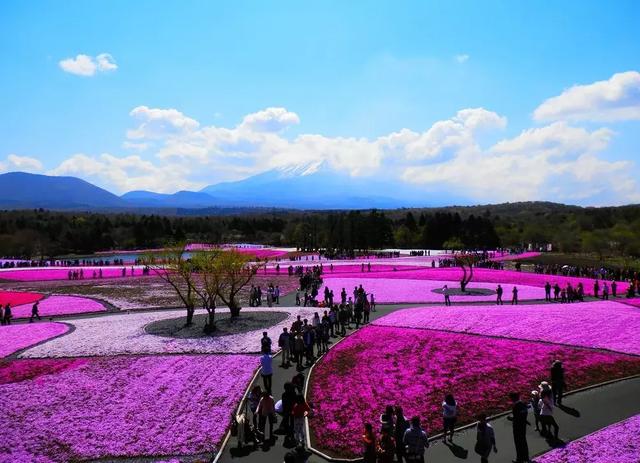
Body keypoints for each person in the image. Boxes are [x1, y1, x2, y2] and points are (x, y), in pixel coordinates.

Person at [507, 392, 529, 463]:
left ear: (513, 398)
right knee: (523, 442)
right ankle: (526, 457)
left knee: (518, 443)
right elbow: (524, 415)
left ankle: (519, 459)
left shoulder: (515, 406)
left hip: (517, 427)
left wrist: (510, 418)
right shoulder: (523, 404)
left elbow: (516, 418)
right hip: (523, 426)